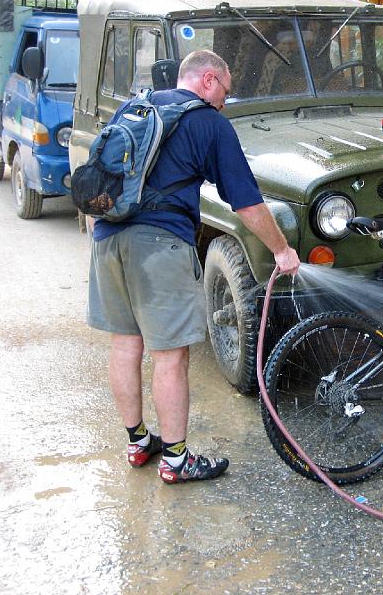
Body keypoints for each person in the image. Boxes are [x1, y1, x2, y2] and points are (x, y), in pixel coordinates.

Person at [87, 50, 301, 484]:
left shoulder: (137, 106)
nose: (225, 101)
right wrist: (281, 250)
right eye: (225, 91)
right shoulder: (209, 123)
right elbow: (246, 202)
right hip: (159, 246)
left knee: (125, 345)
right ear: (208, 80)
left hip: (108, 240)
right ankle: (177, 460)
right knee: (170, 355)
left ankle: (138, 442)